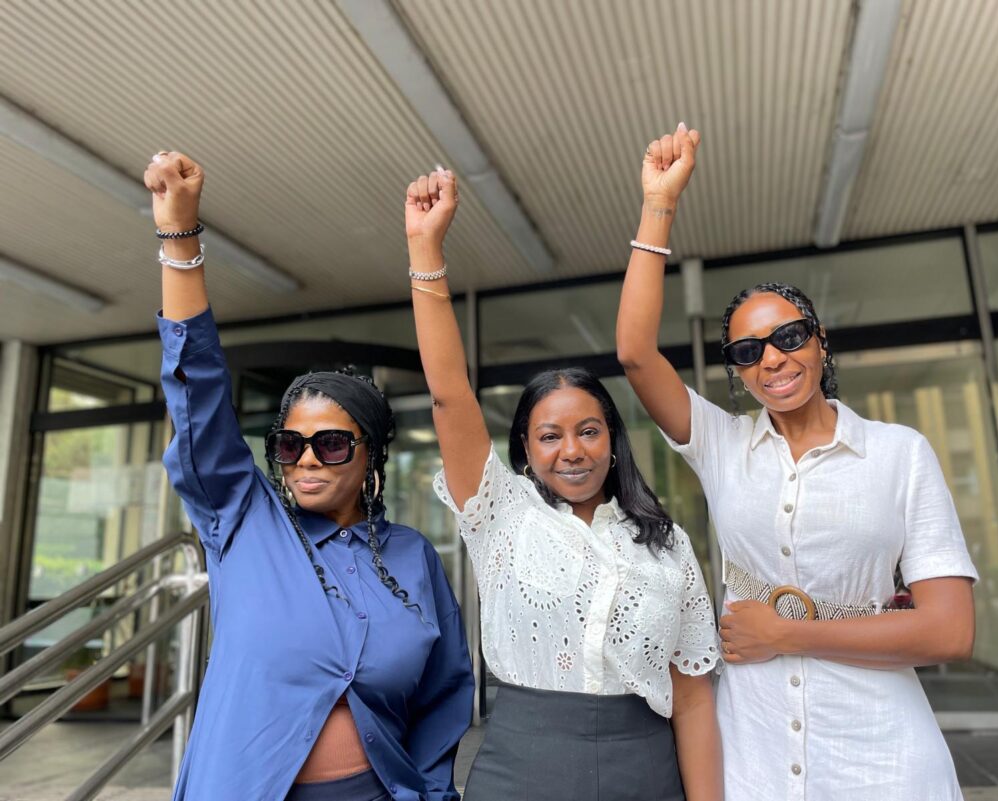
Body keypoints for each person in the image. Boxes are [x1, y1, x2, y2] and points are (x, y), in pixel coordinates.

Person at [616, 123, 979, 800]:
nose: (772, 358)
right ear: (738, 374)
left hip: (883, 756)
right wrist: (658, 204)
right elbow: (636, 354)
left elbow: (950, 628)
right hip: (754, 753)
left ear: (820, 341)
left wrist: (787, 632)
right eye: (748, 352)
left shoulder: (901, 453)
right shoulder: (723, 445)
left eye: (788, 336)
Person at [144, 151, 473, 801]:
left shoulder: (413, 557)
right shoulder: (242, 519)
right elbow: (199, 398)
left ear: (371, 455)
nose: (308, 460)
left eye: (329, 442)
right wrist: (179, 234)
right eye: (290, 444)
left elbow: (444, 696)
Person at [403, 168, 724, 801]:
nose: (571, 451)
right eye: (550, 436)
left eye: (589, 431)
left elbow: (691, 700)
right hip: (523, 770)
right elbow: (448, 394)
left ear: (613, 439)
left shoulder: (666, 545)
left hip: (648, 772)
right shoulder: (502, 514)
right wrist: (425, 250)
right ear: (524, 446)